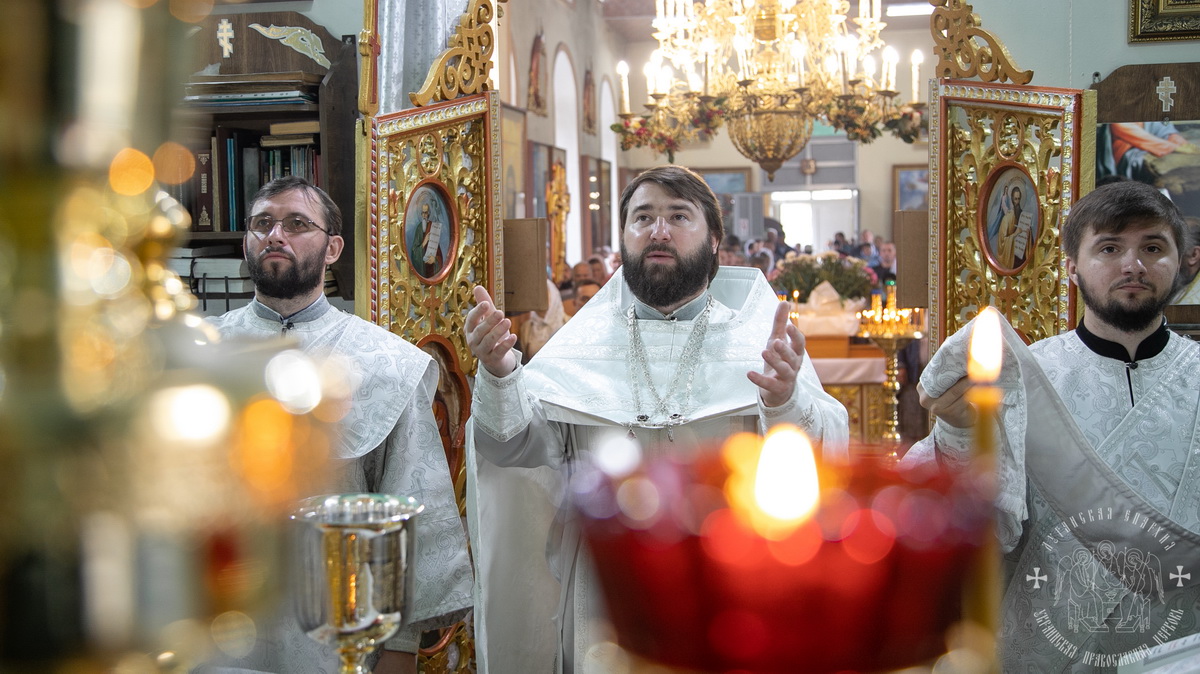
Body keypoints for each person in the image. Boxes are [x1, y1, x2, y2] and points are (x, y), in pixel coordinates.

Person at [464, 165, 850, 673]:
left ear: (714, 240)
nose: (659, 231)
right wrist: (500, 374)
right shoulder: (578, 351)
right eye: (642, 217)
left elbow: (820, 467)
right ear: (623, 237)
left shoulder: (763, 345)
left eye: (678, 216)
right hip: (607, 595)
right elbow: (512, 450)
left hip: (727, 584)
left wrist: (783, 403)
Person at [905, 180, 1200, 671]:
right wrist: (957, 430)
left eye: (1153, 247)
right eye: (1109, 248)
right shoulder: (1025, 380)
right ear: (1071, 269)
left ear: (1182, 264)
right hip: (1046, 648)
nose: (1133, 265)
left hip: (1178, 651)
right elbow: (960, 519)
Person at [206, 176, 473, 674]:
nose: (275, 236)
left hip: (339, 630)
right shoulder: (199, 356)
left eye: (296, 224)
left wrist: (401, 651)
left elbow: (414, 515)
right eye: (262, 223)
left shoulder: (388, 363)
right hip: (217, 625)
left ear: (333, 249)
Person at [410, 198, 446, 278]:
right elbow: (414, 252)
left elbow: (438, 254)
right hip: (422, 269)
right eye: (422, 213)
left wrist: (435, 260)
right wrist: (424, 243)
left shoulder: (433, 227)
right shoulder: (419, 229)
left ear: (429, 214)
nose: (424, 216)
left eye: (425, 213)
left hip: (432, 269)